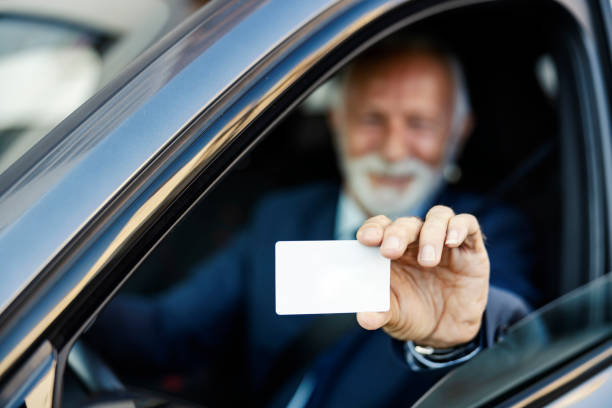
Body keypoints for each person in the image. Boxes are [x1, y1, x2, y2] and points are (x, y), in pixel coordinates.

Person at [89, 37, 537, 406]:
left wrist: (453, 338)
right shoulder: (283, 216)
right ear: (337, 120)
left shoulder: (483, 237)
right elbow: (168, 333)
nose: (394, 149)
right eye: (372, 119)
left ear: (457, 132)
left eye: (419, 123)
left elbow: (518, 343)